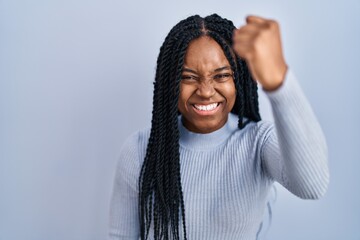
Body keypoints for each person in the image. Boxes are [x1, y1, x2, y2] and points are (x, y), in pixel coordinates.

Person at [108, 14, 330, 240]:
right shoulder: (139, 150)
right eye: (189, 77)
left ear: (239, 80)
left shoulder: (258, 142)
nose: (205, 91)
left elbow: (312, 187)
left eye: (222, 75)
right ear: (170, 84)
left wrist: (279, 83)